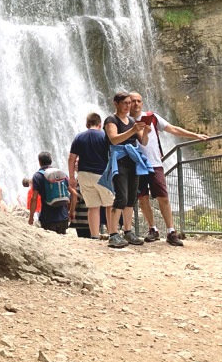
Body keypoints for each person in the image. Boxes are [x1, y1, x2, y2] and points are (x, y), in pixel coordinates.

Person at [129, 91, 208, 247]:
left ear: (142, 103)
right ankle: (153, 229)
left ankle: (171, 231)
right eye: (133, 101)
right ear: (127, 103)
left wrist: (195, 136)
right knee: (143, 198)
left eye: (138, 101)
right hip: (136, 165)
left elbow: (173, 129)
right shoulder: (125, 121)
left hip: (156, 163)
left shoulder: (152, 117)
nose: (136, 104)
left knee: (163, 197)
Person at [100, 92, 150, 249]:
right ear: (116, 103)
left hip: (133, 161)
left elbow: (143, 141)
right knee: (121, 197)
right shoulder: (111, 120)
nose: (129, 106)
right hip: (119, 161)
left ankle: (128, 231)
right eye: (125, 103)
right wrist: (133, 130)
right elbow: (114, 139)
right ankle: (113, 234)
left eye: (130, 103)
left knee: (131, 198)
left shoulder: (132, 121)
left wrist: (146, 132)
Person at [68, 112, 113, 240]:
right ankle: (112, 233)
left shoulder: (79, 137)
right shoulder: (105, 136)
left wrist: (71, 177)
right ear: (100, 124)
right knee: (109, 205)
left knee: (93, 206)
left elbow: (72, 158)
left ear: (87, 124)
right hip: (102, 174)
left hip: (83, 175)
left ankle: (94, 235)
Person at [30, 151, 69, 234]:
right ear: (51, 160)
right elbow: (71, 192)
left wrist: (31, 217)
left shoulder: (37, 176)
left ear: (39, 162)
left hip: (47, 218)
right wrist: (71, 211)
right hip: (63, 217)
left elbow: (34, 198)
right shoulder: (61, 174)